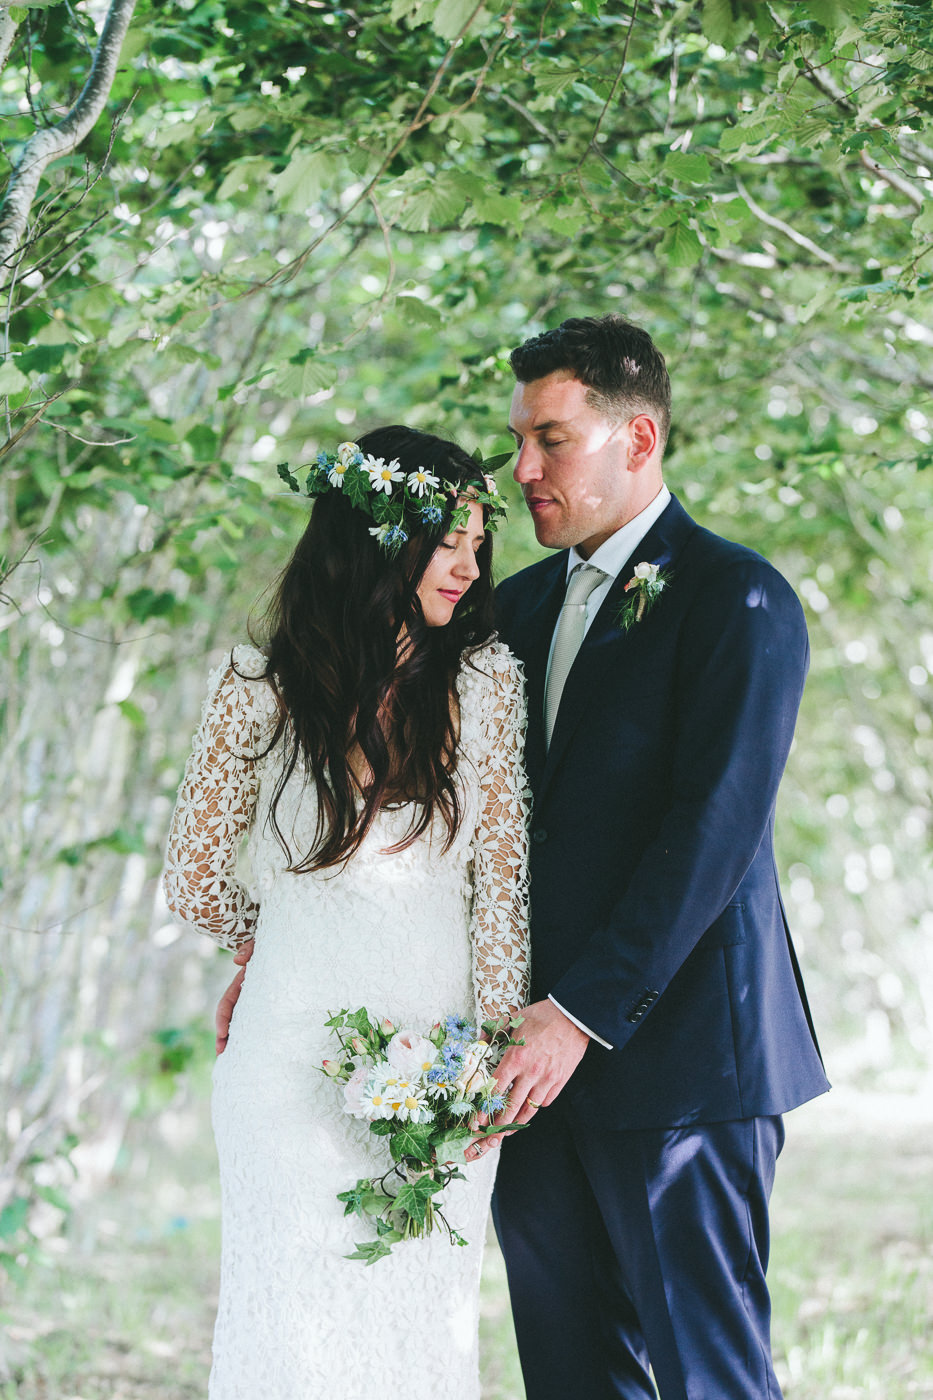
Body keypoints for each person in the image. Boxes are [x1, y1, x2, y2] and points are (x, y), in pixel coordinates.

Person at [482, 314, 831, 1400]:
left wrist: (575, 1012)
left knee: (708, 1377)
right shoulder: (512, 609)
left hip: (684, 1071)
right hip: (527, 1087)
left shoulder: (741, 598)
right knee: (572, 1378)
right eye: (518, 442)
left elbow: (712, 829)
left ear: (638, 440)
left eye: (552, 438)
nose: (523, 469)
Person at [162, 425, 530, 1400]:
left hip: (440, 1061)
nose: (469, 562)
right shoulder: (258, 688)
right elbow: (191, 875)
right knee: (290, 1329)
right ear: (377, 540)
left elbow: (502, 887)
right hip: (286, 1069)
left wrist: (490, 1053)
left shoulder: (486, 682)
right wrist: (269, 943)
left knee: (418, 1329)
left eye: (478, 541)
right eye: (447, 538)